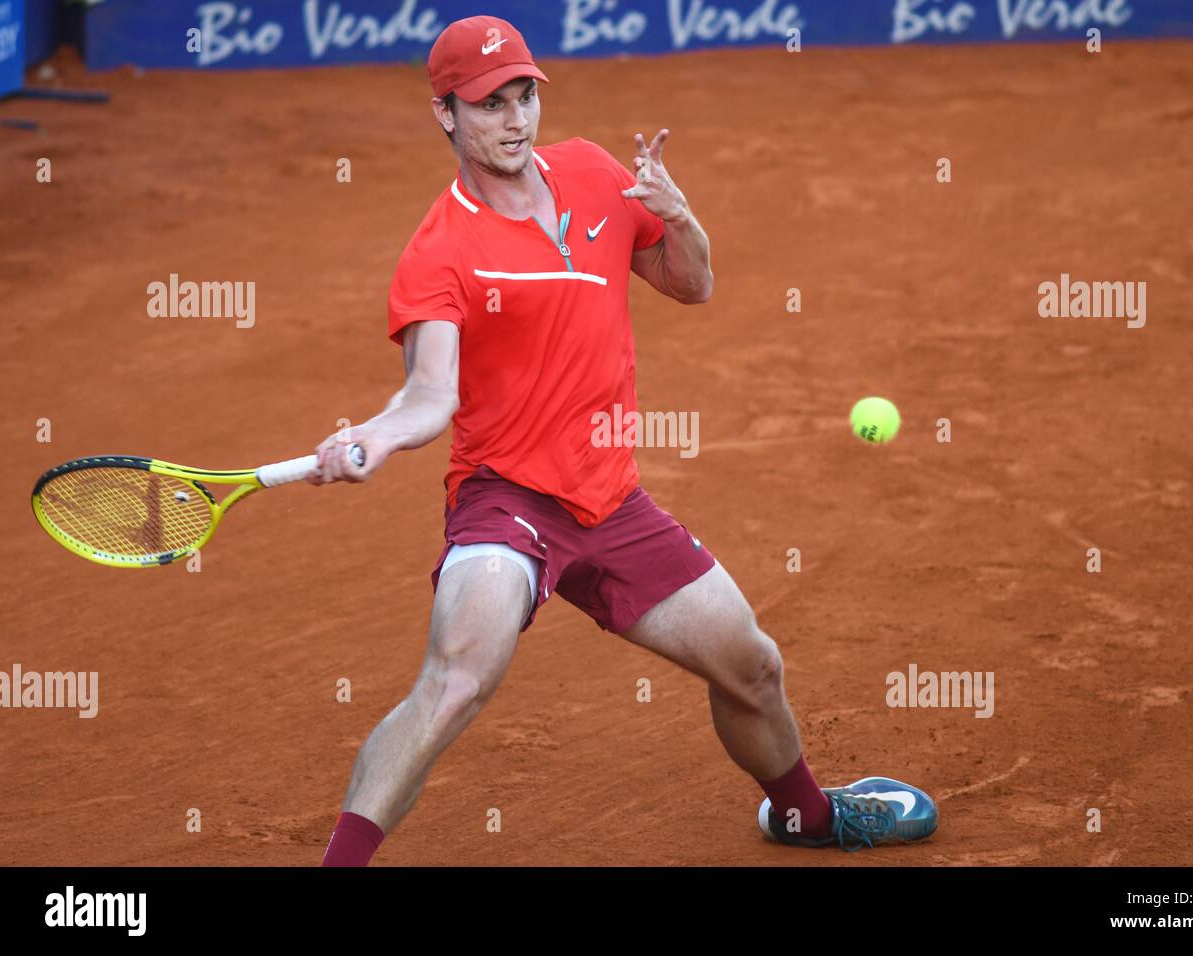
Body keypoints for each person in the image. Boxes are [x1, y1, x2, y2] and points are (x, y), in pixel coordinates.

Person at [310, 14, 937, 865]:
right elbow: (430, 394)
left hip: (612, 501)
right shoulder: (441, 250)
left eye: (524, 95)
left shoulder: (597, 175)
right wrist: (377, 437)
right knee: (457, 681)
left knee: (752, 665)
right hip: (509, 502)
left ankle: (806, 816)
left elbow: (694, 285)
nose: (513, 119)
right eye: (488, 104)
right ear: (446, 116)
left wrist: (678, 217)